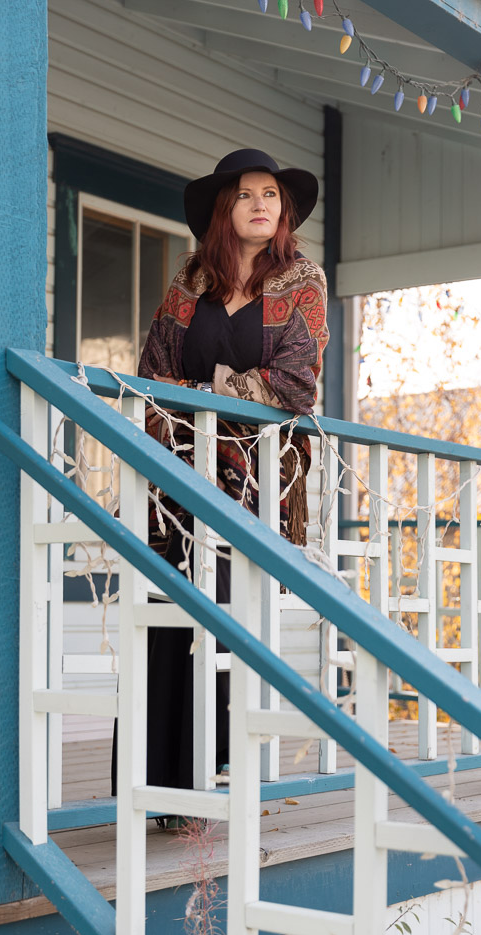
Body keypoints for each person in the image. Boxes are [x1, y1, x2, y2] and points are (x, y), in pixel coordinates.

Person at [112, 149, 329, 815]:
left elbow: (297, 382)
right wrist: (208, 396)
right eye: (244, 195)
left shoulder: (300, 282)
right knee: (164, 620)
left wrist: (201, 392)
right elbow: (150, 375)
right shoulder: (188, 283)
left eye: (271, 194)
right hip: (174, 476)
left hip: (254, 484)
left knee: (223, 620)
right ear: (222, 211)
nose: (261, 204)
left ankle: (208, 782)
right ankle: (158, 792)